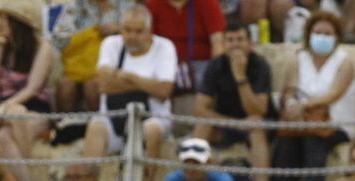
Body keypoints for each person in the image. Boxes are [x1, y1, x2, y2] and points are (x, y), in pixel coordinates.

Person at [271, 10, 355, 181]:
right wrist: (292, 105)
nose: (322, 37)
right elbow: (290, 90)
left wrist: (305, 106)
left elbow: (334, 94)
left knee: (314, 144)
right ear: (309, 34)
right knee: (285, 146)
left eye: (328, 34)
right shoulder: (298, 59)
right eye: (318, 32)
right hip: (300, 123)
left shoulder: (345, 62)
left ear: (337, 37)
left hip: (334, 125)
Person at [81, 4, 177, 166]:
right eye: (127, 30)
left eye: (139, 31)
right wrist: (146, 84)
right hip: (113, 117)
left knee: (151, 130)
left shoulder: (164, 47)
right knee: (95, 127)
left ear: (149, 31)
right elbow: (103, 86)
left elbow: (164, 90)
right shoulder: (111, 44)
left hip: (153, 118)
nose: (132, 36)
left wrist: (126, 77)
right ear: (121, 29)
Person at [193, 25, 276, 181]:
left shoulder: (260, 65)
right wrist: (233, 123)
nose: (235, 45)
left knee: (255, 124)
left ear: (250, 43)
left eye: (240, 40)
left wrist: (240, 76)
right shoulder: (216, 65)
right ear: (223, 44)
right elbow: (201, 108)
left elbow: (259, 109)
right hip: (227, 123)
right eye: (230, 40)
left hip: (256, 124)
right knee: (202, 123)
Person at [0, 3, 55, 181]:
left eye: (4, 18)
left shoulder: (42, 48)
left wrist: (5, 108)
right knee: (6, 130)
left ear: (18, 24)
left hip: (34, 108)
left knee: (8, 132)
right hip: (4, 109)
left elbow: (32, 88)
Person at [143, 0, 225, 113]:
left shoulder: (207, 2)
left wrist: (214, 76)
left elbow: (218, 42)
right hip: (164, 63)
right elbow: (147, 42)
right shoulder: (153, 4)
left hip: (199, 64)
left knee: (209, 83)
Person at [49, 0, 125, 114]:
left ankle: (99, 125)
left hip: (115, 65)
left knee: (93, 86)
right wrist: (82, 36)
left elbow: (138, 33)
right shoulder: (75, 6)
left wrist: (118, 30)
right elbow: (57, 40)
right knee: (65, 87)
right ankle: (67, 129)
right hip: (77, 67)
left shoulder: (125, 5)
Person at [147, 135, 237, 181]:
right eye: (187, 162)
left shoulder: (220, 177)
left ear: (208, 163)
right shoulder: (177, 176)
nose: (191, 169)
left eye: (196, 163)